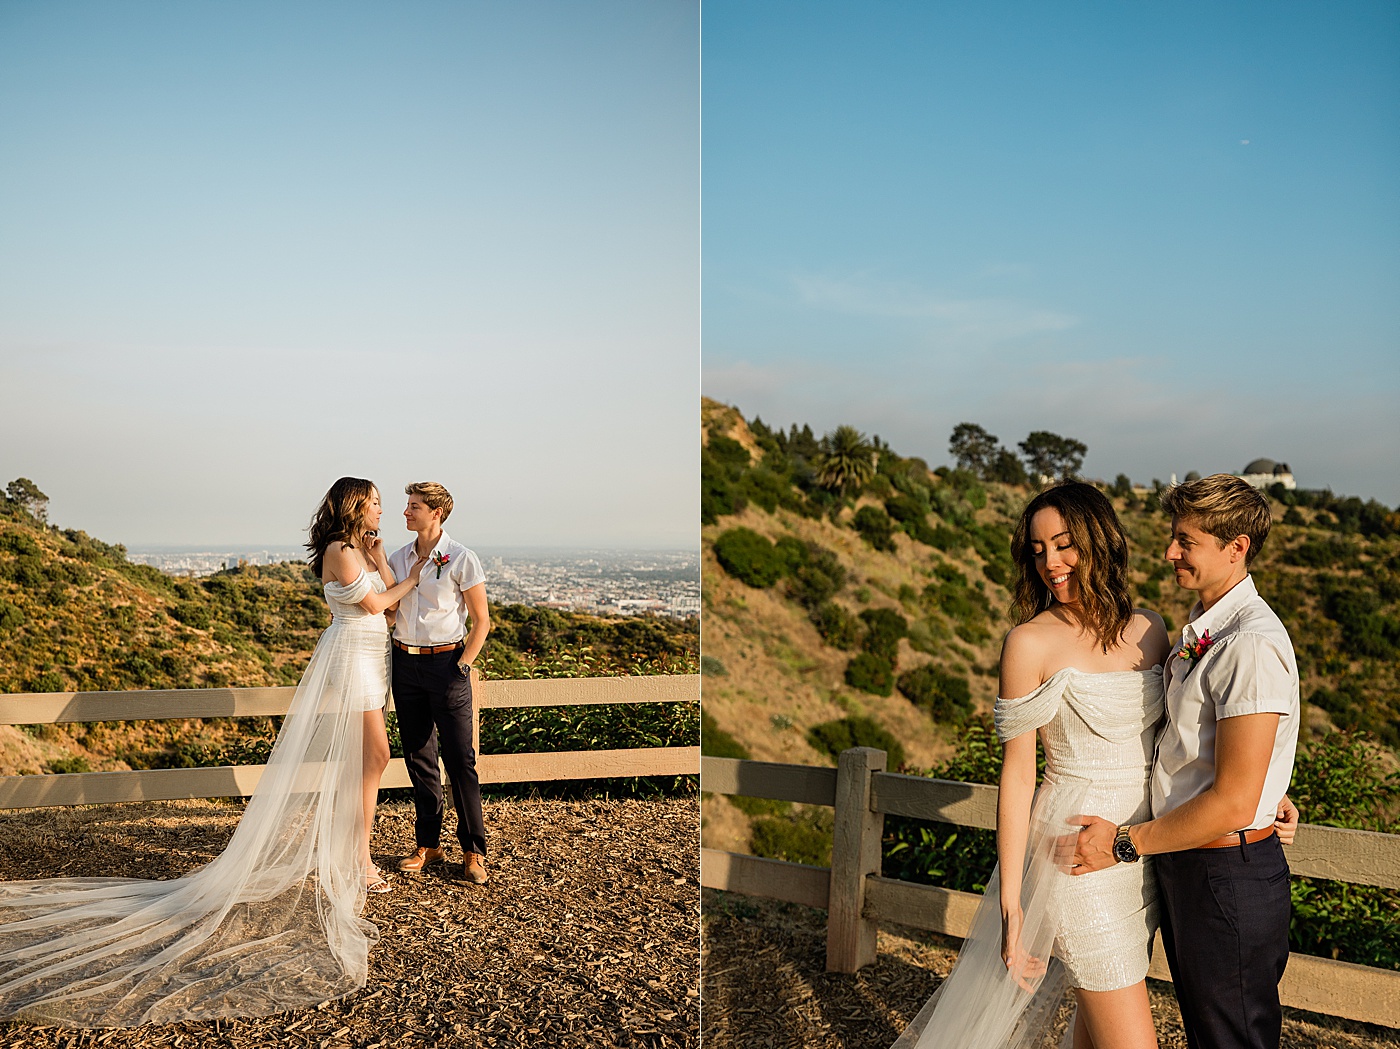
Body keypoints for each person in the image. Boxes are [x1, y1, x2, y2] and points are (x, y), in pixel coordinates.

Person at [0, 477, 427, 1026]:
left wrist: (382, 557)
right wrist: (410, 577)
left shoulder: (358, 549)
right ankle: (357, 857)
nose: (382, 508)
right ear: (354, 505)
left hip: (372, 654)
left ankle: (356, 853)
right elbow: (378, 602)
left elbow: (385, 601)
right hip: (351, 654)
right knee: (371, 755)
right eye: (374, 502)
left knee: (370, 758)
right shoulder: (337, 551)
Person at [892, 482, 1296, 1049]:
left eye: (1064, 545)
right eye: (1037, 550)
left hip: (1146, 854)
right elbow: (1017, 775)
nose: (1051, 563)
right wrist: (1012, 905)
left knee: (1095, 1034)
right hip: (1078, 855)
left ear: (1097, 540)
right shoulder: (1028, 643)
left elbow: (1179, 741)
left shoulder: (1152, 631)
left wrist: (1262, 790)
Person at [1070, 475, 1300, 1049]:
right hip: (1193, 865)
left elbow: (1232, 801)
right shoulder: (1206, 630)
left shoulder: (1249, 642)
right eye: (1173, 537)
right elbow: (1203, 754)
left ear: (1236, 547)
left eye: (1186, 541)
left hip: (1225, 875)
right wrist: (1268, 788)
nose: (1170, 552)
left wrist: (1122, 844)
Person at [387, 481, 492, 887]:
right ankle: (428, 844)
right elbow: (392, 610)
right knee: (419, 757)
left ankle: (473, 851)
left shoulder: (463, 558)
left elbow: (482, 622)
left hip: (447, 664)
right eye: (407, 505)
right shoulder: (399, 557)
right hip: (405, 665)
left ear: (436, 513)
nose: (406, 512)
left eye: (413, 506)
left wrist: (462, 667)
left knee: (460, 760)